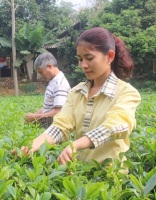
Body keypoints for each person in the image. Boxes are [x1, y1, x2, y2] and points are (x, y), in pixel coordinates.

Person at [21, 27, 141, 168]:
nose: (83, 65)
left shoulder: (126, 92)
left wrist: (76, 144)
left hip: (110, 176)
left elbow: (117, 125)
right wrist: (32, 146)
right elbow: (60, 126)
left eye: (89, 58)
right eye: (80, 59)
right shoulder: (76, 92)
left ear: (109, 56)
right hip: (80, 172)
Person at [25, 52, 70, 128]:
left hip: (55, 127)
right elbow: (47, 107)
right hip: (47, 124)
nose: (41, 75)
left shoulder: (59, 84)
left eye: (41, 72)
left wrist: (35, 117)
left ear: (49, 66)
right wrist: (33, 116)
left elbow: (58, 112)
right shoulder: (54, 81)